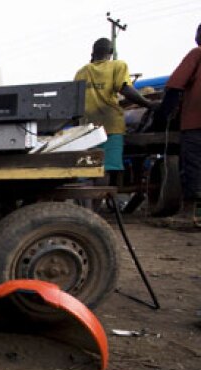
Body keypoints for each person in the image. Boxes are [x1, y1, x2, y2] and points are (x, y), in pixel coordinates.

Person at [74, 38, 156, 194]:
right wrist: (149, 104)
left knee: (89, 170)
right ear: (110, 53)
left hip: (86, 127)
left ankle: (87, 209)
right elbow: (125, 89)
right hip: (110, 125)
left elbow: (75, 100)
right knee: (104, 168)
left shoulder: (81, 72)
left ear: (92, 53)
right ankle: (95, 212)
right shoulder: (118, 66)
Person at [159, 23, 201, 227]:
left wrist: (162, 115)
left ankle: (188, 214)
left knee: (193, 166)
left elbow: (174, 86)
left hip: (195, 122)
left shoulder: (197, 54)